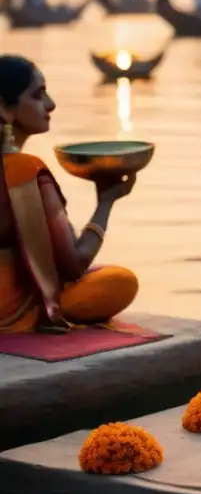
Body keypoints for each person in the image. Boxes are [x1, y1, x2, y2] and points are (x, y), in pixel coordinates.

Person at [0, 55, 138, 333]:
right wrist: (106, 202)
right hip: (10, 314)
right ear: (4, 107)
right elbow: (73, 264)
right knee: (121, 280)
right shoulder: (26, 171)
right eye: (38, 95)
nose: (51, 104)